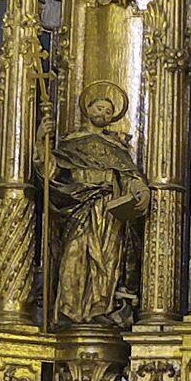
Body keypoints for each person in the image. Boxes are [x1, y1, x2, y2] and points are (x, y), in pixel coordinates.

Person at [46, 87, 145, 326]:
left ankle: (101, 306)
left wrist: (140, 189)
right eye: (99, 108)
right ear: (87, 109)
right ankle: (69, 309)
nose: (103, 113)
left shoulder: (116, 147)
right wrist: (42, 140)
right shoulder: (72, 142)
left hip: (108, 208)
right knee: (75, 254)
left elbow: (129, 175)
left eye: (109, 111)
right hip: (78, 205)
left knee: (108, 259)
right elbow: (50, 173)